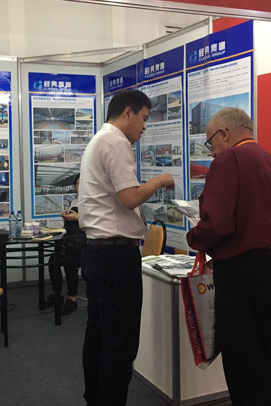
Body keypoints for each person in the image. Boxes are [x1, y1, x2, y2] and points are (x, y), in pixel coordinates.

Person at [186, 107, 271, 406]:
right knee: (266, 357)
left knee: (242, 363)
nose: (211, 152)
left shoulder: (229, 159)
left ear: (224, 134)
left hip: (245, 273)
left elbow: (217, 224)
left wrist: (194, 237)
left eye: (210, 143)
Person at [78, 90, 175, 406]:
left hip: (98, 251)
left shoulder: (99, 140)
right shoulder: (116, 141)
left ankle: (96, 398)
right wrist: (159, 180)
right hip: (116, 255)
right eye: (144, 118)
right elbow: (130, 198)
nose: (144, 127)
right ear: (128, 112)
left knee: (99, 333)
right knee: (120, 342)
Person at [43, 174, 86, 315]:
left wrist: (78, 217)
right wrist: (66, 218)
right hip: (72, 243)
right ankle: (57, 294)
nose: (79, 186)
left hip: (86, 245)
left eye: (82, 183)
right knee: (53, 260)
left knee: (69, 262)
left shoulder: (94, 202)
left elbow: (96, 223)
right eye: (77, 183)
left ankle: (72, 298)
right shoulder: (74, 202)